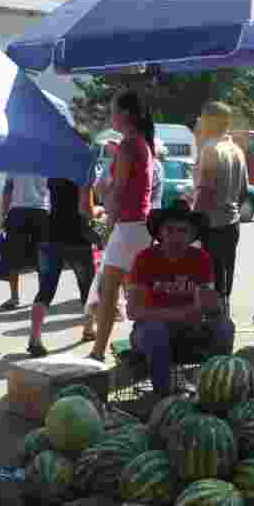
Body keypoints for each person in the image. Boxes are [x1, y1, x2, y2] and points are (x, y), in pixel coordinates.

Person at [129, 200, 235, 397]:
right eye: (170, 230)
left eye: (183, 231)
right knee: (155, 331)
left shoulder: (201, 258)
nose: (176, 237)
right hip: (150, 332)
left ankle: (218, 393)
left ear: (192, 234)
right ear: (160, 233)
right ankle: (165, 400)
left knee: (225, 327)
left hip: (190, 328)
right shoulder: (145, 258)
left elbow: (210, 306)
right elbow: (133, 311)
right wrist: (178, 314)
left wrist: (214, 305)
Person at [88, 90, 155, 362]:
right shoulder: (140, 143)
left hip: (128, 225)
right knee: (133, 290)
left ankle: (98, 352)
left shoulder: (130, 145)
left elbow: (119, 190)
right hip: (139, 225)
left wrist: (108, 224)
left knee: (108, 290)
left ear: (126, 115)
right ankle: (146, 344)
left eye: (113, 109)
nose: (110, 114)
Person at [26, 173, 101, 357]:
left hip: (50, 234)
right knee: (88, 289)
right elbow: (86, 209)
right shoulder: (84, 167)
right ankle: (88, 330)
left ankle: (34, 338)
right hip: (77, 238)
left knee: (45, 289)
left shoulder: (54, 168)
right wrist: (99, 210)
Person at [193, 101, 248, 313]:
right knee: (226, 279)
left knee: (210, 279)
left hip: (211, 224)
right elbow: (243, 191)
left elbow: (205, 191)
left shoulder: (210, 150)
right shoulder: (237, 150)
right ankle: (224, 320)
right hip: (231, 223)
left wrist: (193, 220)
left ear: (209, 121)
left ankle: (214, 327)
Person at [0, 174, 50, 310]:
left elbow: (8, 188)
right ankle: (42, 297)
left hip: (17, 212)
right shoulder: (47, 159)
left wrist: (4, 214)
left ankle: (14, 297)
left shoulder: (15, 158)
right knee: (42, 257)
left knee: (13, 255)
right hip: (41, 212)